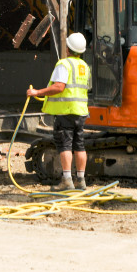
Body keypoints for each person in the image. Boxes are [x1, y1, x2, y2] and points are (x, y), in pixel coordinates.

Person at [27, 32, 90, 190]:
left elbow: (58, 87)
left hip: (65, 112)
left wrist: (37, 92)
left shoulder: (64, 64)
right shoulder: (84, 66)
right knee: (80, 146)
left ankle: (67, 180)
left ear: (68, 48)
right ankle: (81, 180)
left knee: (65, 146)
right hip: (80, 112)